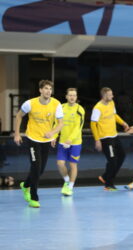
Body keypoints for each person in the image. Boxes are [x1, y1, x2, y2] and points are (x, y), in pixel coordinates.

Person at [14, 80, 64, 208]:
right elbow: (19, 116)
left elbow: (61, 124)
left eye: (50, 89)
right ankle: (34, 198)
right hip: (33, 139)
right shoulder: (30, 104)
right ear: (40, 90)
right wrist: (17, 134)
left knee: (40, 170)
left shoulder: (56, 104)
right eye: (46, 88)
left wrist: (52, 133)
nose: (48, 91)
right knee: (36, 168)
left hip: (46, 141)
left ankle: (25, 186)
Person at [91, 87, 130, 191]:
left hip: (114, 136)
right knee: (112, 161)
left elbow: (114, 115)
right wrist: (97, 140)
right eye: (110, 95)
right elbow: (93, 124)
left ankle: (105, 176)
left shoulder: (111, 102)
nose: (112, 96)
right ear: (104, 96)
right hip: (105, 138)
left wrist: (123, 123)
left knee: (122, 155)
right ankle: (108, 184)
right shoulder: (97, 108)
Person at [56, 88, 85, 196]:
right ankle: (67, 180)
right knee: (60, 163)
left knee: (73, 165)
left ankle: (70, 188)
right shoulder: (61, 108)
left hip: (75, 143)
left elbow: (78, 127)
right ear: (66, 96)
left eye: (74, 95)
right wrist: (54, 136)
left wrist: (70, 139)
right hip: (62, 141)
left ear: (76, 97)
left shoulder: (80, 109)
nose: (72, 97)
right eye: (70, 95)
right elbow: (56, 123)